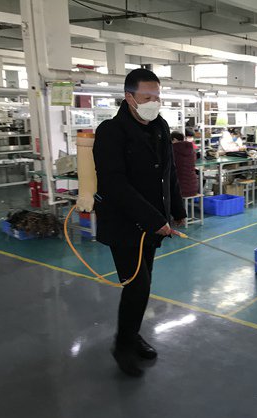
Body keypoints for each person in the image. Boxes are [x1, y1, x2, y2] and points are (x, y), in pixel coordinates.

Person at [93, 68, 186, 377]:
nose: (153, 103)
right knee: (137, 286)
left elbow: (169, 172)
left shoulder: (160, 126)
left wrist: (177, 209)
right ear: (129, 97)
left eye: (157, 97)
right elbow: (114, 184)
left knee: (143, 285)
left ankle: (132, 335)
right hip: (124, 225)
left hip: (152, 225)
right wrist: (154, 219)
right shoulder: (111, 132)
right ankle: (123, 345)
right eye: (147, 97)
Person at [171, 131, 199, 198]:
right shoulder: (191, 148)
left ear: (174, 139)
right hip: (193, 188)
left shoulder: (173, 149)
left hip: (180, 189)